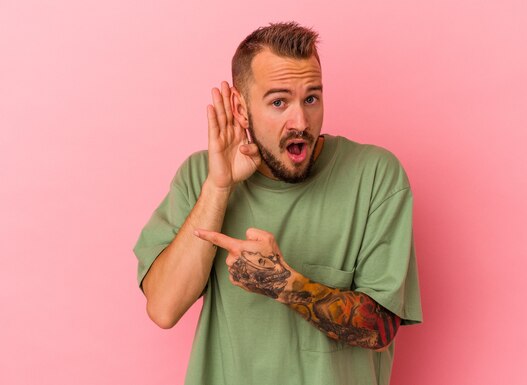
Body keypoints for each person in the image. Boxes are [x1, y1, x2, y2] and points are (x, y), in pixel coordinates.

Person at [134, 22, 422, 385]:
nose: (300, 121)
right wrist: (219, 187)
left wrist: (285, 284)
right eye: (279, 102)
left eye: (311, 99)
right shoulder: (201, 176)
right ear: (240, 108)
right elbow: (163, 308)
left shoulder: (376, 175)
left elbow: (381, 328)